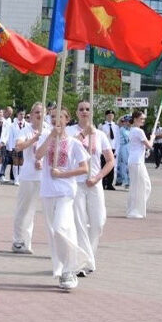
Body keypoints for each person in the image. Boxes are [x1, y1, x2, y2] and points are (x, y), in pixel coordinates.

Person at [35, 106, 92, 291]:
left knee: (61, 228)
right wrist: (51, 135)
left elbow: (84, 169)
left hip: (66, 192)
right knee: (53, 233)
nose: (55, 120)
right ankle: (61, 269)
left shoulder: (74, 143)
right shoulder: (46, 137)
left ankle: (71, 268)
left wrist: (63, 174)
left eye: (59, 117)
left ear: (67, 120)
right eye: (52, 117)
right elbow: (38, 155)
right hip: (47, 191)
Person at [69, 101, 114, 276]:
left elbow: (110, 160)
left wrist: (97, 177)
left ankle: (89, 256)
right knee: (79, 222)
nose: (84, 112)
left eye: (87, 109)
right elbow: (67, 151)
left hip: (94, 183)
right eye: (81, 109)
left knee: (98, 222)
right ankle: (83, 262)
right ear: (76, 112)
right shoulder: (70, 132)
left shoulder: (100, 134)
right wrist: (82, 135)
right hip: (77, 182)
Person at [12, 102, 50, 254]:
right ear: (31, 114)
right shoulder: (25, 130)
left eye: (42, 112)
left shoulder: (49, 130)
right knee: (25, 209)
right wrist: (34, 139)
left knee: (48, 211)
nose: (39, 115)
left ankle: (55, 245)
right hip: (29, 175)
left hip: (46, 175)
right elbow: (19, 146)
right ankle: (19, 241)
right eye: (36, 112)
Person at [126, 110, 153, 219]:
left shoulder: (133, 130)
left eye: (143, 119)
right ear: (135, 119)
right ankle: (134, 210)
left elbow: (142, 147)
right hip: (136, 162)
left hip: (136, 161)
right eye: (141, 119)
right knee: (139, 186)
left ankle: (137, 208)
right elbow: (149, 145)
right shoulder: (138, 131)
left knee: (145, 185)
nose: (143, 121)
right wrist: (153, 138)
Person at [99, 110, 119, 189]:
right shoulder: (102, 126)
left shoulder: (116, 127)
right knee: (103, 166)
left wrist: (117, 150)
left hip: (113, 148)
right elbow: (99, 138)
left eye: (112, 115)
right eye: (109, 115)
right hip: (104, 149)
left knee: (112, 167)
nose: (110, 117)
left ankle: (110, 184)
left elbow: (117, 139)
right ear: (106, 116)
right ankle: (103, 183)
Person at [7, 108, 27, 184]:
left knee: (21, 162)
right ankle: (16, 179)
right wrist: (11, 147)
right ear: (17, 114)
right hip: (15, 146)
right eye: (20, 114)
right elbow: (10, 137)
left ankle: (20, 178)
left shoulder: (27, 125)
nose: (22, 116)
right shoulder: (12, 125)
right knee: (15, 162)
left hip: (24, 146)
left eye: (23, 114)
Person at [116, 115, 131, 188]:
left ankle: (127, 181)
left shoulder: (130, 129)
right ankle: (125, 181)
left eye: (129, 121)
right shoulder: (122, 129)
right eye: (127, 121)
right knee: (124, 164)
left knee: (128, 164)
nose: (128, 123)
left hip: (129, 147)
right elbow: (127, 139)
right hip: (123, 147)